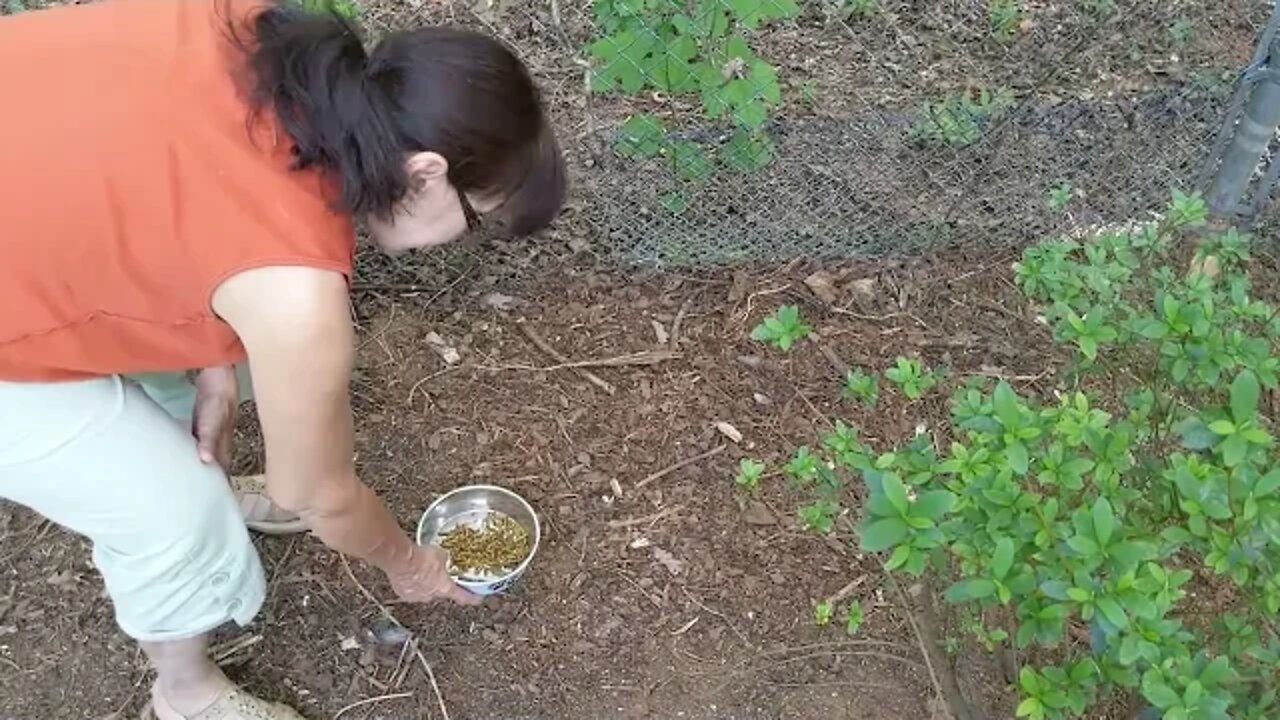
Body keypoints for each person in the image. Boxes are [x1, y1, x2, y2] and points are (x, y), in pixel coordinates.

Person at [0, 0, 566, 717]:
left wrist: (213, 357)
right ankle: (185, 695)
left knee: (228, 373)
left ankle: (218, 484)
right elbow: (320, 495)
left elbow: (162, 188)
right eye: (475, 218)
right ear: (424, 172)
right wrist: (410, 564)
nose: (463, 241)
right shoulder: (297, 297)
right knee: (173, 512)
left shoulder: (256, 29)